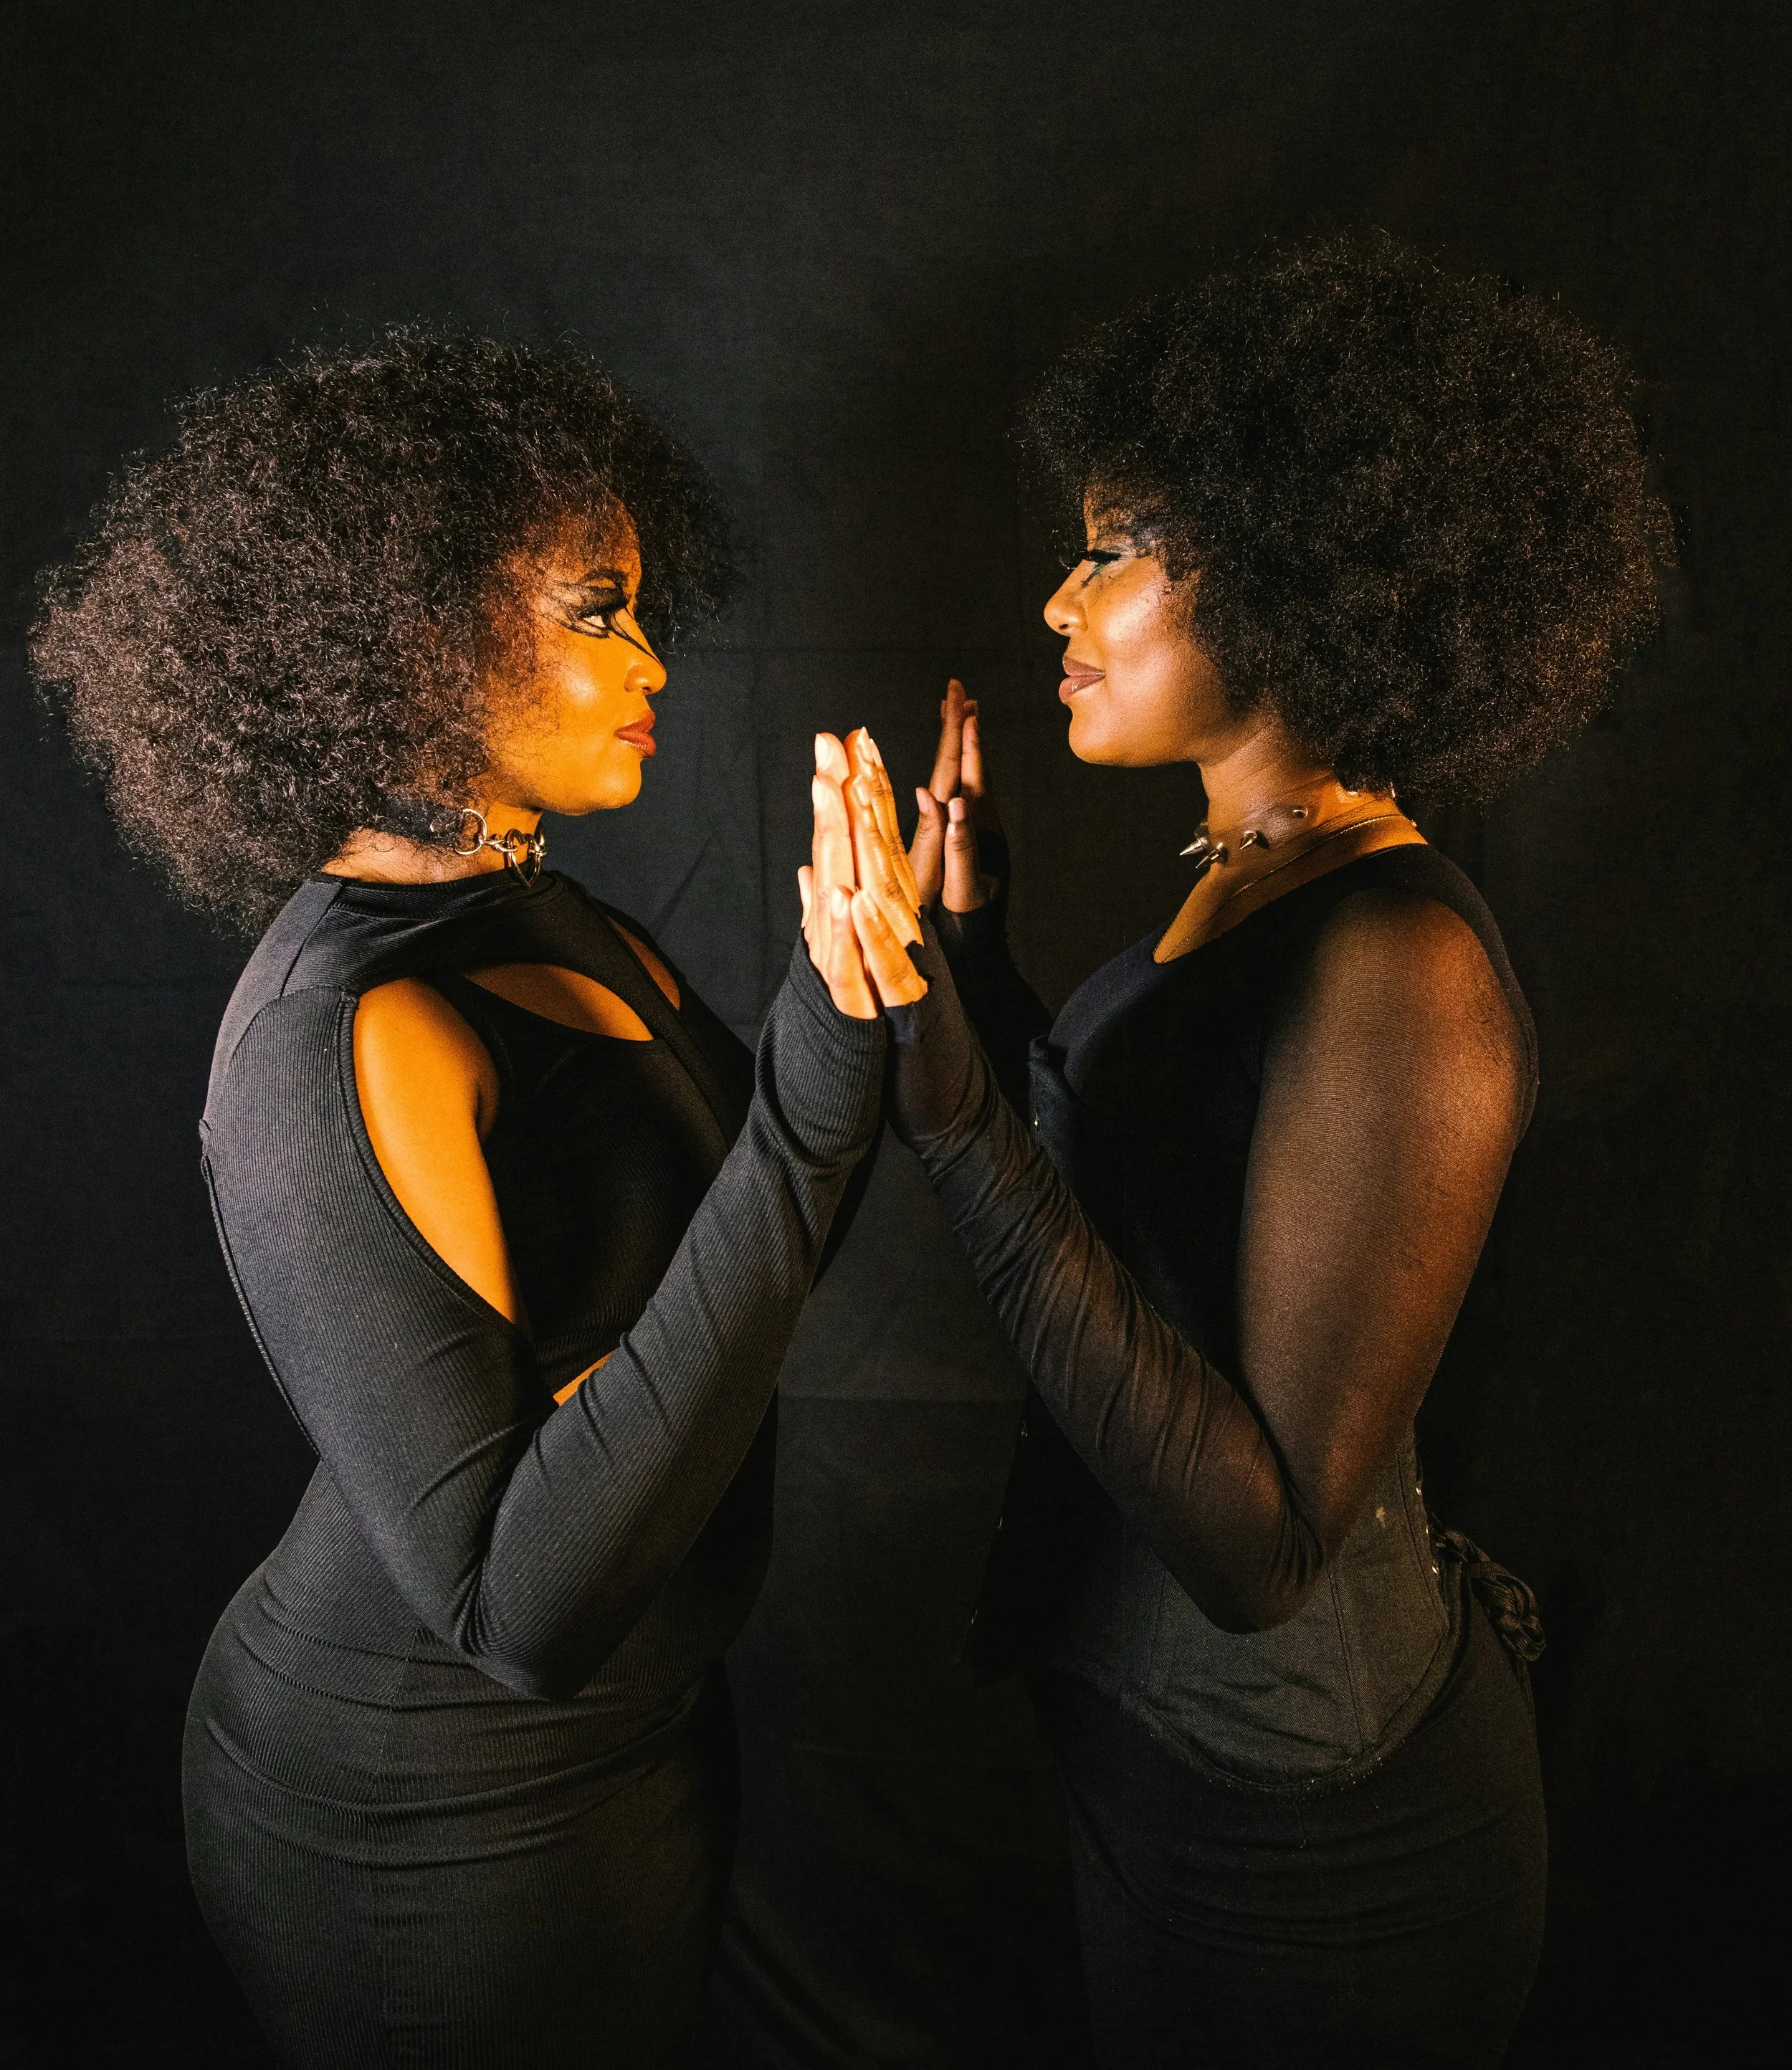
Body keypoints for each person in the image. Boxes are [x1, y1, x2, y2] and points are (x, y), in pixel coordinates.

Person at [819, 236, 1669, 2068]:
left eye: (1112, 547)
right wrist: (972, 964)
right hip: (1161, 1778)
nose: (1056, 598)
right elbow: (1156, 1221)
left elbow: (1258, 1541)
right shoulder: (1250, 880)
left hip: (1316, 1855)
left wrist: (955, 1102)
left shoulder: (1401, 959)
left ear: (1300, 580)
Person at [29, 330, 918, 2069]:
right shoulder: (344, 1035)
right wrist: (816, 1102)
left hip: (640, 1744)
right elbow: (518, 1602)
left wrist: (892, 976)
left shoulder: (540, 900)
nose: (653, 654)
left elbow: (749, 1223)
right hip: (432, 1821)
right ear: (406, 633)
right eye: (597, 609)